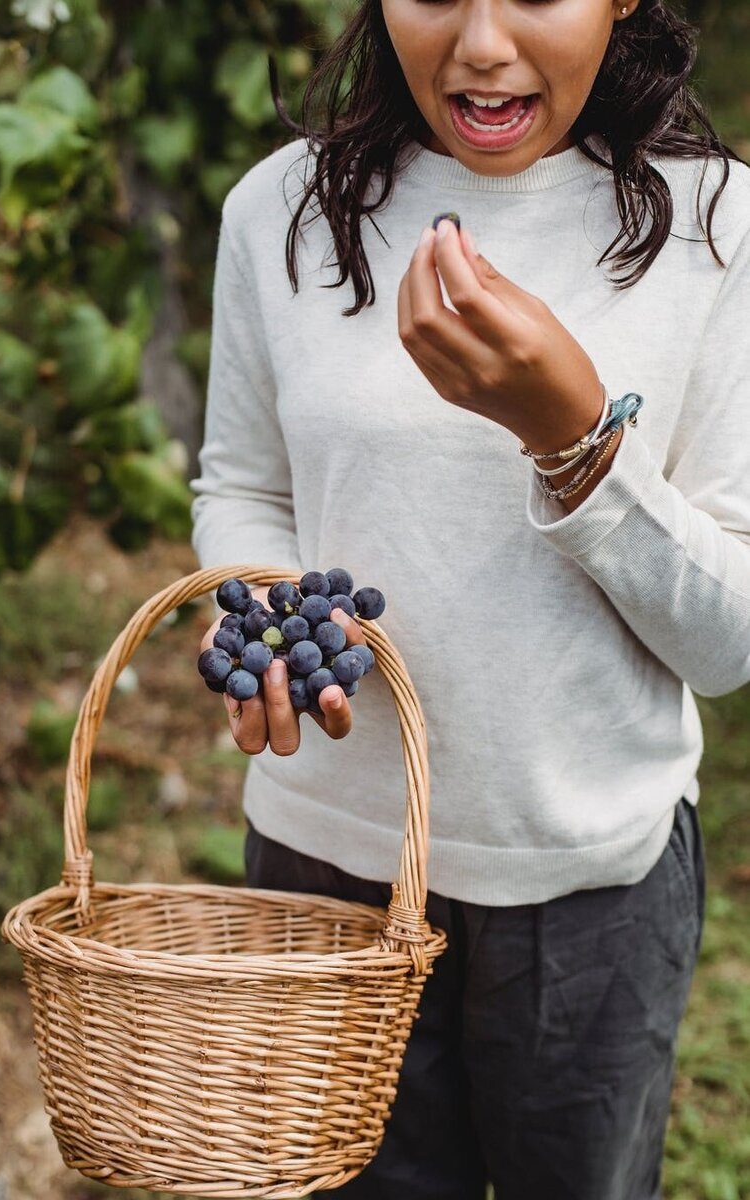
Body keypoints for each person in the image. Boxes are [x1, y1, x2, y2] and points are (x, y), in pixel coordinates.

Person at [190, 0, 750, 1196]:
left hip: (584, 890)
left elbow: (728, 639)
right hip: (321, 862)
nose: (483, 44)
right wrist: (266, 613)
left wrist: (573, 437)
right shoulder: (278, 210)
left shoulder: (720, 231)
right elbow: (243, 487)